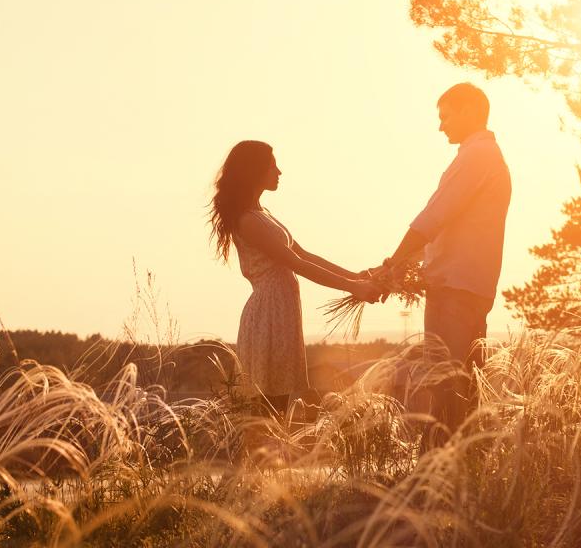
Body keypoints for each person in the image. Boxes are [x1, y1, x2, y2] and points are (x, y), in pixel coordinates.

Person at [373, 82, 512, 439]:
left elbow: (434, 216)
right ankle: (462, 465)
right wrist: (402, 266)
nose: (441, 126)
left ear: (469, 110)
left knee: (446, 383)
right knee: (462, 382)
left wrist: (394, 262)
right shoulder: (481, 155)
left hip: (456, 287)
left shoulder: (477, 156)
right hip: (467, 284)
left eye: (445, 116)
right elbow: (446, 223)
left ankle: (441, 469)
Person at [210, 140, 381, 415]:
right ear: (255, 171)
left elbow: (305, 255)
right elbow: (297, 264)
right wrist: (353, 287)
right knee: (266, 406)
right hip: (269, 315)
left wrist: (356, 277)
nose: (279, 171)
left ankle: (268, 455)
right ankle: (260, 456)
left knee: (278, 402)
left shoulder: (262, 214)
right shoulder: (248, 220)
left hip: (281, 313)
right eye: (272, 165)